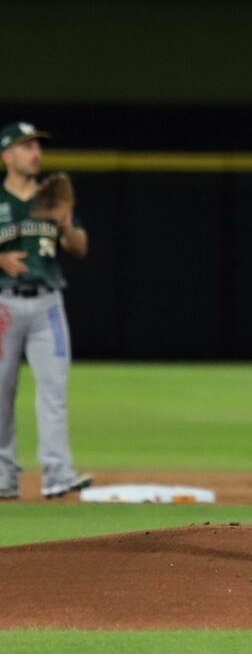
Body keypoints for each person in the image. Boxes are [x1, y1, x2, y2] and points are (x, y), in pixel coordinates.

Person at [0, 122, 91, 501]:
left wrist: (68, 226)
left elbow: (81, 247)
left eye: (38, 146)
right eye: (26, 146)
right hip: (3, 305)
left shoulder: (51, 199)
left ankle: (57, 474)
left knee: (53, 391)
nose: (36, 152)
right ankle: (3, 477)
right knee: (1, 392)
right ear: (7, 154)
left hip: (48, 304)